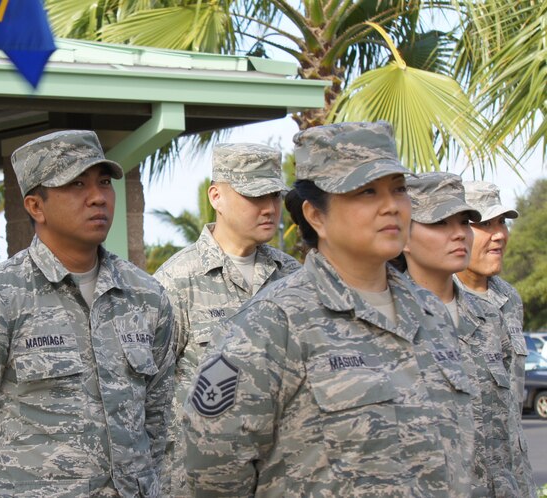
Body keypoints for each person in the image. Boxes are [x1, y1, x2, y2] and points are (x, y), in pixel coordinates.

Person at [183, 121, 474, 497]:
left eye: (398, 189)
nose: (391, 207)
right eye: (366, 192)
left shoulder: (431, 314)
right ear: (316, 215)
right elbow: (213, 470)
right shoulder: (275, 323)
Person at [0, 130, 176, 496]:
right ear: (35, 206)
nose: (97, 198)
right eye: (76, 185)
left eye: (104, 183)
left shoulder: (146, 297)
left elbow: (159, 418)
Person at [153, 143, 300, 496]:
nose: (269, 209)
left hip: (281, 478)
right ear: (216, 196)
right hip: (202, 481)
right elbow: (148, 392)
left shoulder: (292, 277)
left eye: (274, 196)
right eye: (254, 196)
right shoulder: (177, 281)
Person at [403, 172, 527, 496]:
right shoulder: (388, 319)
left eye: (463, 222)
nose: (458, 234)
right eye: (441, 223)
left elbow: (507, 428)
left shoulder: (490, 313)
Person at [455, 181, 535, 496]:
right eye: (484, 224)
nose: (499, 234)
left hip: (512, 481)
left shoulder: (509, 299)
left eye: (502, 221)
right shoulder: (427, 301)